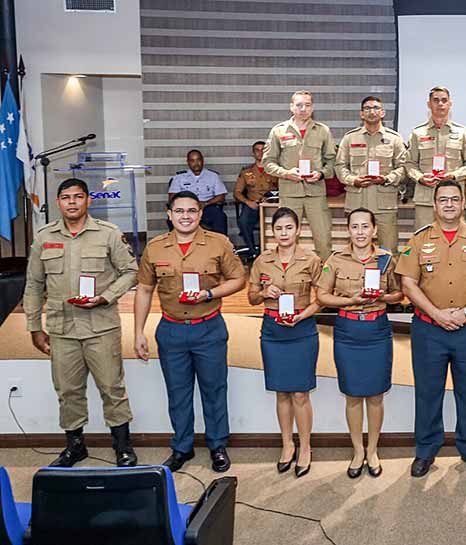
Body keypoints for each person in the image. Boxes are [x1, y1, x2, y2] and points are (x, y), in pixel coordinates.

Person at [23, 178, 139, 467]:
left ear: (88, 200)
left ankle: (122, 445)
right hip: (62, 329)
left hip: (101, 326)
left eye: (77, 196)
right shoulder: (44, 236)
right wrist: (34, 327)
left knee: (112, 387)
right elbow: (34, 284)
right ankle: (75, 446)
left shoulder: (108, 234)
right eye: (65, 197)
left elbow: (130, 272)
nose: (72, 202)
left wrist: (105, 297)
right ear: (59, 202)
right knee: (67, 390)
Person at [395, 180, 466, 477]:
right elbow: (408, 283)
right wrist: (436, 313)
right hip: (429, 329)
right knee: (428, 393)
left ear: (462, 203)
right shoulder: (419, 240)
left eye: (454, 200)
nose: (448, 205)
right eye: (443, 200)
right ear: (434, 205)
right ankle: (426, 451)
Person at [134, 190, 246, 473]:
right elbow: (145, 289)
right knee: (178, 392)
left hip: (208, 328)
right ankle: (182, 447)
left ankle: (217, 445)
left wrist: (210, 293)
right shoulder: (155, 248)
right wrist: (138, 332)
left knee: (214, 389)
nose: (186, 216)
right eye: (179, 211)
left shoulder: (218, 243)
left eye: (192, 211)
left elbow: (238, 279)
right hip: (171, 331)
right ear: (170, 215)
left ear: (200, 214)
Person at [316, 208, 403, 478]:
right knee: (353, 395)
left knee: (376, 395)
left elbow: (400, 294)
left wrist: (384, 297)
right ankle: (357, 450)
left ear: (375, 230)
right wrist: (350, 301)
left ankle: (373, 450)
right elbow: (322, 295)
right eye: (355, 227)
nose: (361, 232)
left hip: (377, 329)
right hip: (348, 329)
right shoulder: (336, 259)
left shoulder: (387, 260)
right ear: (348, 230)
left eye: (365, 227)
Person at [247, 207, 321, 478]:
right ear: (273, 232)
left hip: (301, 330)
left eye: (289, 228)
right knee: (281, 392)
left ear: (298, 230)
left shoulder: (311, 259)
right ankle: (287, 445)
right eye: (279, 229)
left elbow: (322, 298)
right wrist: (265, 291)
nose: (284, 233)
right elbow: (252, 297)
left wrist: (302, 315)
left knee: (300, 393)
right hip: (273, 330)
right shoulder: (262, 261)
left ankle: (305, 447)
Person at [262, 90, 336, 260]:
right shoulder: (279, 131)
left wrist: (321, 173)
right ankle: (288, 277)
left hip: (315, 193)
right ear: (291, 107)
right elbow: (268, 162)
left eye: (307, 105)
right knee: (285, 239)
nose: (303, 108)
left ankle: (325, 278)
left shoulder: (322, 131)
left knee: (323, 239)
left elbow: (332, 161)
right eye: (299, 105)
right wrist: (286, 173)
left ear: (312, 108)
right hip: (290, 193)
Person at [336, 96, 409, 254]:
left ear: (382, 113)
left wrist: (387, 179)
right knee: (357, 249)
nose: (372, 112)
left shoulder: (394, 139)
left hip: (384, 204)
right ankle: (357, 279)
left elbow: (404, 167)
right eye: (367, 108)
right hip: (357, 202)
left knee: (388, 250)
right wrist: (353, 180)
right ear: (361, 114)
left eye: (376, 108)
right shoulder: (350, 138)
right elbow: (340, 166)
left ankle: (387, 279)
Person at [405, 86, 466, 230]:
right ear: (429, 104)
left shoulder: (462, 132)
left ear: (450, 104)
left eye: (444, 100)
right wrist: (420, 177)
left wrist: (453, 175)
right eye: (436, 100)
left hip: (453, 198)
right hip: (426, 198)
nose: (440, 104)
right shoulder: (417, 133)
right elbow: (409, 163)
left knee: (455, 241)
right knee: (424, 242)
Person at [168, 149, 228, 235]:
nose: (196, 163)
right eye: (192, 160)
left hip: (207, 207)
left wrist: (206, 203)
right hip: (186, 209)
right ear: (188, 162)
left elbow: (221, 196)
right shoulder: (179, 178)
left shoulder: (213, 176)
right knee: (173, 217)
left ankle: (221, 245)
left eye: (198, 160)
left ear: (202, 160)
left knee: (220, 216)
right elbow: (172, 197)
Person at [235, 140, 278, 259]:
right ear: (253, 153)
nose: (260, 153)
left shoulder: (275, 170)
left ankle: (273, 252)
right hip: (253, 205)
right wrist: (248, 202)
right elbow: (237, 193)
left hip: (271, 206)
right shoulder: (246, 171)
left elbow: (282, 189)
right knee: (243, 222)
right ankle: (252, 250)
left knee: (278, 223)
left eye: (263, 150)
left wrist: (270, 198)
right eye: (257, 150)